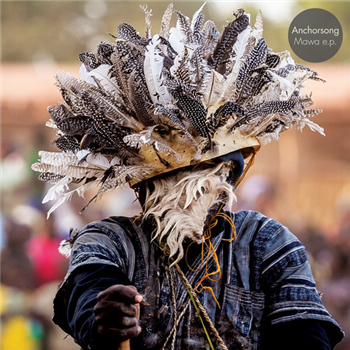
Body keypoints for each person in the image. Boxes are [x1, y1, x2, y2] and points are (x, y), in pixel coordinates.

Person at [32, 4, 344, 350]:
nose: (193, 194)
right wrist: (104, 316)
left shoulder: (266, 242)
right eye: (176, 179)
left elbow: (306, 334)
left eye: (208, 174)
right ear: (143, 185)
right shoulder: (109, 241)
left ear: (229, 175)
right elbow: (89, 291)